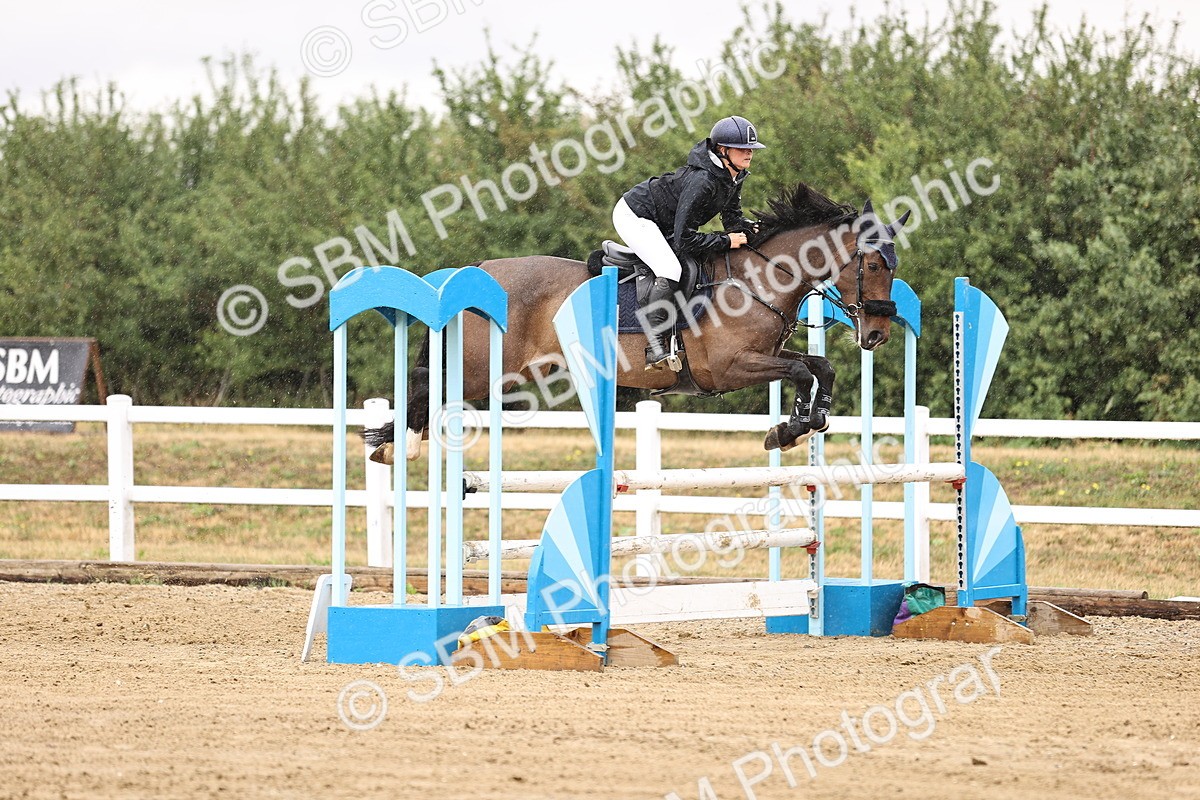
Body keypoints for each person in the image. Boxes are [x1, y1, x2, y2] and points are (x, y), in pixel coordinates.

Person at [613, 115, 765, 369]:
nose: (749, 153)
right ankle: (655, 343)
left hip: (662, 222)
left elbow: (732, 217)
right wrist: (725, 241)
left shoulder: (734, 175)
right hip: (635, 214)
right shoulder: (703, 181)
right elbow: (684, 239)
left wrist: (756, 229)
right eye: (742, 149)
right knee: (670, 268)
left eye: (751, 149)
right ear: (723, 150)